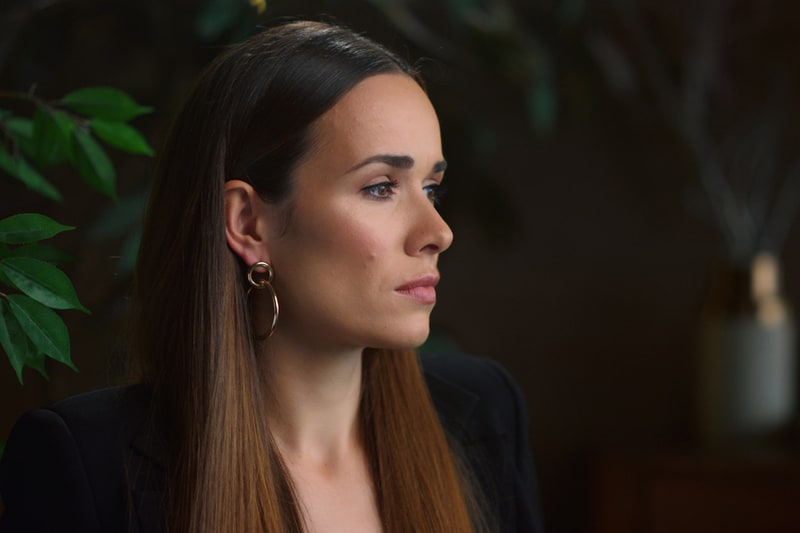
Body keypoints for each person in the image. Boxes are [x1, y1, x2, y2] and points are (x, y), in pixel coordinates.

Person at [0, 19, 545, 533]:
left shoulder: (484, 415)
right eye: (381, 187)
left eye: (431, 188)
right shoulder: (84, 463)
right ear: (247, 221)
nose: (438, 232)